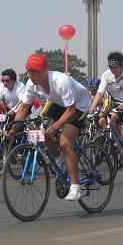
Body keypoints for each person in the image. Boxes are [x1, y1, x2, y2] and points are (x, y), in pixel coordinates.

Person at [7, 53, 93, 201]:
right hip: (59, 104)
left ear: (46, 70)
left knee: (65, 143)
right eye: (29, 71)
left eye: (36, 71)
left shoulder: (61, 81)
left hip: (79, 105)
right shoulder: (31, 84)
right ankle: (60, 161)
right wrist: (14, 127)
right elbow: (24, 107)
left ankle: (75, 187)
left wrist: (57, 126)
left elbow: (71, 110)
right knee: (41, 133)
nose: (32, 75)